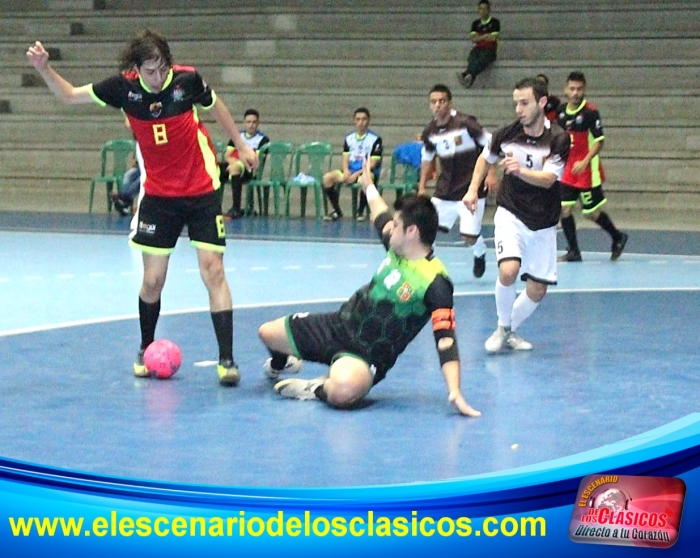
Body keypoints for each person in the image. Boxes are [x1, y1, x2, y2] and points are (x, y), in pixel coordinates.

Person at [26, 30, 258, 386]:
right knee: (152, 280)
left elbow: (217, 106)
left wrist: (240, 144)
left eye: (162, 68)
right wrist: (44, 68)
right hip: (160, 196)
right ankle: (146, 348)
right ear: (136, 68)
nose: (157, 76)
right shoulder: (123, 89)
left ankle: (226, 359)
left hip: (201, 187)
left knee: (213, 271)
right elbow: (69, 95)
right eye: (150, 70)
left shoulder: (187, 80)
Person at [258, 157, 481, 417]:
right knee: (267, 333)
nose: (390, 228)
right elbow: (380, 214)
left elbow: (446, 340)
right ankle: (283, 363)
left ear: (411, 232)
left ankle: (317, 387)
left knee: (343, 391)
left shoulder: (436, 283)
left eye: (397, 225)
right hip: (337, 326)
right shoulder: (397, 247)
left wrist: (454, 389)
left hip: (366, 356)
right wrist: (368, 185)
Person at [463, 77, 570, 353]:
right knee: (508, 270)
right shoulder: (505, 134)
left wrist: (520, 171)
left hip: (543, 220)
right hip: (510, 212)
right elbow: (484, 159)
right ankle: (502, 326)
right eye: (516, 104)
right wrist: (473, 190)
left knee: (537, 290)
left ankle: (507, 330)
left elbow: (548, 179)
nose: (518, 109)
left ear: (542, 103)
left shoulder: (558, 138)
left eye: (524, 103)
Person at [419, 84, 496, 279]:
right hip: (445, 190)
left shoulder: (465, 123)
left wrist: (491, 173)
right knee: (427, 228)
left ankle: (479, 252)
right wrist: (421, 187)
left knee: (469, 236)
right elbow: (427, 159)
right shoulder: (430, 131)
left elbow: (490, 145)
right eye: (434, 102)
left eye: (442, 101)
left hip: (471, 189)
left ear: (450, 103)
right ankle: (430, 269)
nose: (438, 105)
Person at [555, 71, 628, 262]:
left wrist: (585, 161)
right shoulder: (561, 112)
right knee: (564, 209)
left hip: (587, 170)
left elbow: (599, 141)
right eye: (572, 89)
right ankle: (574, 251)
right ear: (566, 89)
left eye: (579, 89)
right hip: (567, 170)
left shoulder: (590, 112)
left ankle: (618, 237)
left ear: (584, 89)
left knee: (591, 213)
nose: (575, 93)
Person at [322, 107, 382, 221]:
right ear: (354, 121)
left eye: (364, 119)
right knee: (327, 178)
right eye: (358, 119)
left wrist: (356, 174)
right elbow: (345, 157)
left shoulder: (375, 139)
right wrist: (346, 171)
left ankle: (360, 212)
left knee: (364, 180)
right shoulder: (349, 138)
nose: (361, 122)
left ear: (368, 120)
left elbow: (373, 163)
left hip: (366, 171)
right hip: (350, 170)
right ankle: (337, 211)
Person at [222, 108, 269, 219]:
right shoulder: (237, 137)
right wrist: (236, 161)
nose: (251, 125)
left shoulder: (263, 139)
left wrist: (238, 161)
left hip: (250, 171)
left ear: (258, 123)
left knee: (235, 168)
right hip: (234, 164)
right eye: (248, 122)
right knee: (212, 170)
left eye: (254, 122)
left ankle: (236, 209)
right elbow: (227, 155)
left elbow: (255, 160)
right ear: (244, 123)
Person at [457, 1, 500, 89]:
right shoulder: (475, 24)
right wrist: (485, 36)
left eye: (485, 9)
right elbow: (473, 39)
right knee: (472, 56)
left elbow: (493, 38)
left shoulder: (495, 22)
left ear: (489, 10)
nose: (483, 11)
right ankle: (471, 77)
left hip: (490, 49)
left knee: (484, 57)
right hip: (478, 48)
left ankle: (466, 74)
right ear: (478, 10)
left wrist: (480, 37)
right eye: (481, 9)